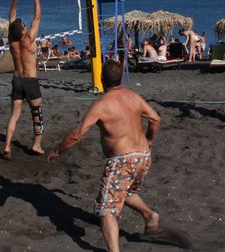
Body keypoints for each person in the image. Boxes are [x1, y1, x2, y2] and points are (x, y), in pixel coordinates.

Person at [47, 61, 161, 252]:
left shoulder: (101, 104)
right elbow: (155, 118)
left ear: (101, 79)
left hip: (122, 160)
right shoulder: (133, 96)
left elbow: (77, 134)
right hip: (143, 157)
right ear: (121, 77)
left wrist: (58, 150)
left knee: (106, 210)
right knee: (126, 192)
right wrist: (149, 139)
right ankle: (150, 215)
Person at [3, 0, 44, 159]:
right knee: (37, 114)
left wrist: (15, 0)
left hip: (17, 80)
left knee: (14, 115)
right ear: (22, 30)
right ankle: (37, 145)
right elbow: (38, 16)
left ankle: (6, 146)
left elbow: (11, 18)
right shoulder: (29, 38)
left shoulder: (12, 40)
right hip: (30, 81)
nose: (27, 27)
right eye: (25, 26)